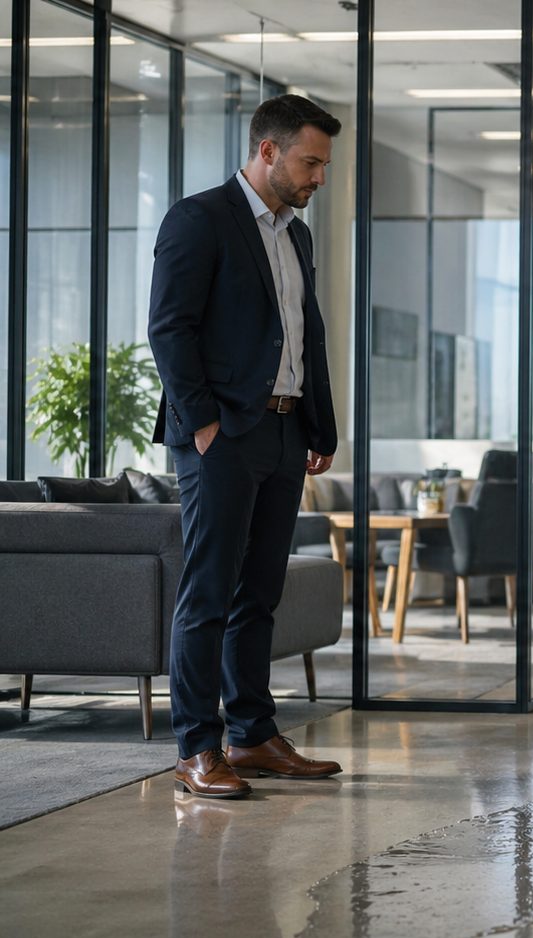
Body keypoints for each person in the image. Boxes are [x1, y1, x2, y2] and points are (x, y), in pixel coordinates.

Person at [149, 95, 343, 799]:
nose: (319, 176)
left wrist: (317, 425)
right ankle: (197, 745)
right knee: (208, 592)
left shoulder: (298, 235)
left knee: (261, 590)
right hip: (223, 434)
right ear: (268, 151)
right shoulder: (200, 219)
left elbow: (304, 333)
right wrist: (204, 424)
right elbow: (169, 328)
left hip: (286, 430)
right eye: (310, 161)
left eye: (323, 162)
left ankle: (253, 732)